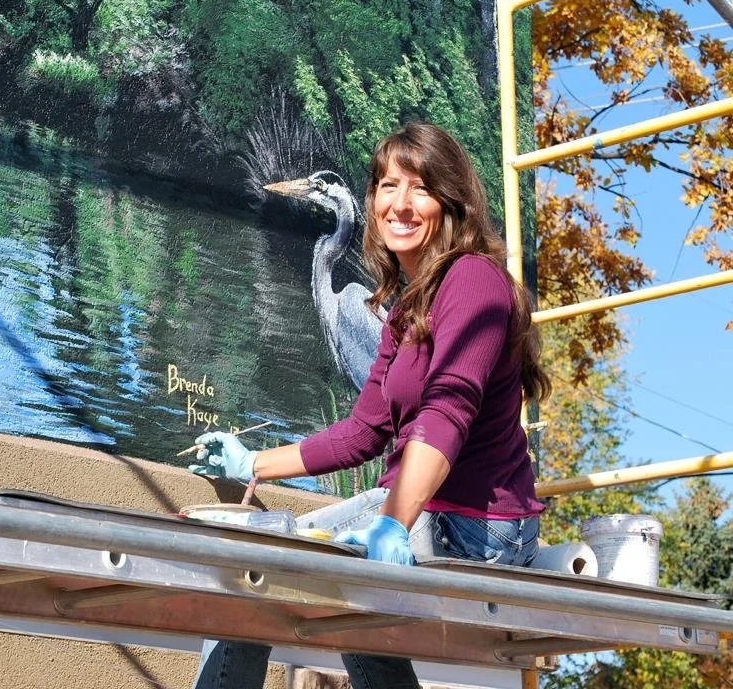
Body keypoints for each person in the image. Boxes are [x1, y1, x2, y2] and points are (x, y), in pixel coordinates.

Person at [188, 122, 551, 689]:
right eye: (387, 186)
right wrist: (251, 464)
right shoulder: (406, 308)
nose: (399, 204)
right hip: (423, 510)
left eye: (419, 188)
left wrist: (393, 525)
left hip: (476, 528)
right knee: (350, 619)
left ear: (450, 204)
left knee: (250, 580)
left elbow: (446, 413)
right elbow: (364, 431)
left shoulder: (474, 281)